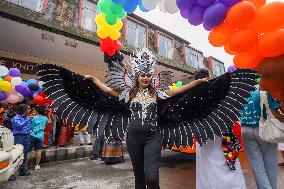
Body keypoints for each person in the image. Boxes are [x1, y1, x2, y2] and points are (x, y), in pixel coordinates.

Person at [38, 48, 258, 189]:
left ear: (151, 77)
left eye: (147, 75)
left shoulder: (158, 94)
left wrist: (198, 83)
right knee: (139, 177)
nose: (145, 78)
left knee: (152, 178)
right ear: (137, 76)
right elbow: (108, 92)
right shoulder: (129, 94)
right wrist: (94, 80)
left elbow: (177, 93)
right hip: (133, 137)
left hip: (154, 137)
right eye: (142, 75)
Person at [195, 69, 246, 189]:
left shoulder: (193, 97)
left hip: (204, 136)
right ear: (207, 77)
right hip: (219, 133)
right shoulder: (218, 93)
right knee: (224, 163)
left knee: (207, 167)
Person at [240, 88, 281, 189]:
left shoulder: (242, 93)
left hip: (245, 130)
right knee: (270, 164)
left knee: (257, 166)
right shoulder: (266, 92)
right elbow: (275, 110)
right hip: (265, 129)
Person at [11, 104, 31, 176]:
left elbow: (28, 127)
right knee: (17, 155)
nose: (30, 110)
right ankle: (13, 173)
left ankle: (23, 170)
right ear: (23, 110)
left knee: (25, 154)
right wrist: (27, 120)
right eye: (28, 108)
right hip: (19, 136)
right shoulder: (16, 118)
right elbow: (19, 126)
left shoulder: (27, 117)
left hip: (27, 136)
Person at [30, 105, 50, 170]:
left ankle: (25, 165)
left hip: (31, 135)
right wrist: (49, 115)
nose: (33, 111)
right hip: (40, 136)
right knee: (38, 150)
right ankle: (37, 165)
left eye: (34, 110)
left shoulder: (32, 117)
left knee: (27, 150)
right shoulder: (45, 118)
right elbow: (49, 122)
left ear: (37, 111)